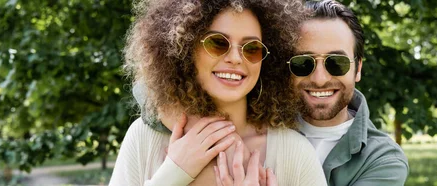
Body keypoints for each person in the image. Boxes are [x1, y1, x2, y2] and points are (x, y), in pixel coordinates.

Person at [110, 0, 326, 185]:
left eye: (252, 48)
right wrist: (171, 175)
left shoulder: (296, 155)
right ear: (185, 47)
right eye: (217, 43)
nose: (235, 58)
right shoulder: (144, 138)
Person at [288, 0, 409, 185]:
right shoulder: (259, 132)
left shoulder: (384, 159)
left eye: (336, 62)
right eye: (303, 62)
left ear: (358, 68)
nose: (320, 79)